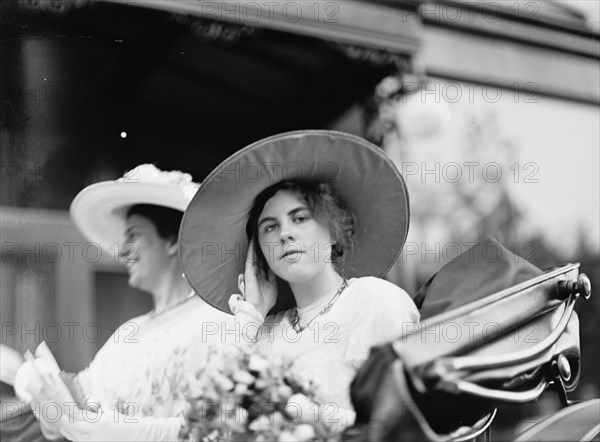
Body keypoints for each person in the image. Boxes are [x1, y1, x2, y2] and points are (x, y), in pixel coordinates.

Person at [179, 130, 420, 431]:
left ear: (333, 231)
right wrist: (251, 313)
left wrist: (313, 417)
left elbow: (407, 422)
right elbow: (216, 414)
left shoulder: (375, 300)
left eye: (300, 218)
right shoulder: (263, 333)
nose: (284, 233)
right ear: (260, 254)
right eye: (269, 227)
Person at [15, 164, 234, 441]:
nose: (122, 251)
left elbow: (220, 423)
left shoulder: (217, 321)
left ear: (171, 242)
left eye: (134, 235)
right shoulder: (129, 332)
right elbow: (84, 397)